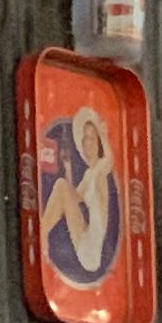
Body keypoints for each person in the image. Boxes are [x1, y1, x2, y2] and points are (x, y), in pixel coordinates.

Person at [38, 102, 122, 290]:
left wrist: (104, 134)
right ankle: (42, 234)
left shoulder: (100, 170)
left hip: (91, 248)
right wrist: (68, 168)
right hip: (86, 238)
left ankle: (41, 233)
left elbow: (108, 160)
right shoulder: (89, 174)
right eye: (85, 138)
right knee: (61, 185)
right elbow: (73, 199)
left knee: (61, 186)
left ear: (98, 143)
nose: (87, 142)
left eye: (92, 138)